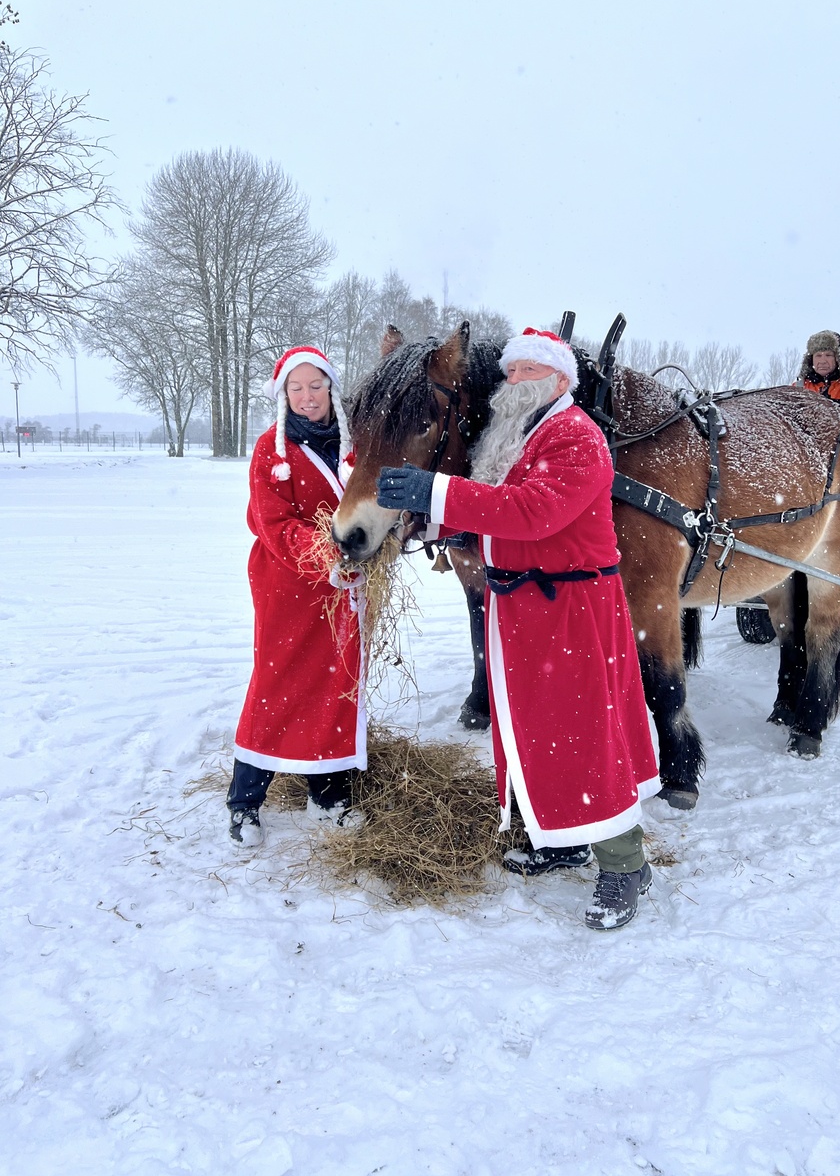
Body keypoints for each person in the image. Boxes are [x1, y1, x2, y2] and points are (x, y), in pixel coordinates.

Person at [376, 328, 660, 931]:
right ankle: (563, 836)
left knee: (586, 732)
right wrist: (431, 527)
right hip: (523, 608)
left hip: (571, 609)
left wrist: (439, 492)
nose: (513, 383)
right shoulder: (518, 435)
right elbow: (494, 519)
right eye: (510, 373)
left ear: (559, 380)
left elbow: (534, 513)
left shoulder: (578, 436)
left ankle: (625, 864)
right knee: (535, 732)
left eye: (528, 373)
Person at [227, 345, 366, 846]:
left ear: (331, 386)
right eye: (296, 388)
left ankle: (326, 795)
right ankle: (244, 801)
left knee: (337, 685)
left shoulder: (354, 445)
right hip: (287, 585)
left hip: (345, 590)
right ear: (283, 394)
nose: (307, 397)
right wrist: (327, 556)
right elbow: (272, 523)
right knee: (276, 683)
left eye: (316, 385)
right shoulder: (272, 448)